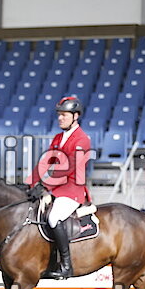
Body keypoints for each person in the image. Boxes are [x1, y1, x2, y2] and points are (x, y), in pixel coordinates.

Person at [26, 96, 91, 279]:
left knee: (54, 217)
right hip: (56, 189)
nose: (60, 118)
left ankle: (66, 265)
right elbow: (45, 162)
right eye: (59, 115)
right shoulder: (57, 138)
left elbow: (68, 167)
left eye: (64, 115)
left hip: (72, 190)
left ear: (75, 116)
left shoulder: (82, 139)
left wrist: (44, 185)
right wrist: (30, 183)